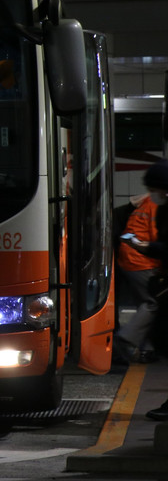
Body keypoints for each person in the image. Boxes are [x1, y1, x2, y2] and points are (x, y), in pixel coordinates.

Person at [119, 158, 168, 421]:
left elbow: (159, 241)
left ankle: (137, 342)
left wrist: (149, 248)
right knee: (153, 304)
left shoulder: (156, 204)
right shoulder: (157, 205)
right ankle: (135, 340)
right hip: (140, 261)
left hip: (136, 259)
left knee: (151, 304)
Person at [115, 178, 162, 363]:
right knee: (154, 302)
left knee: (144, 303)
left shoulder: (152, 200)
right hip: (139, 259)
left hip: (128, 256)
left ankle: (147, 350)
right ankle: (127, 338)